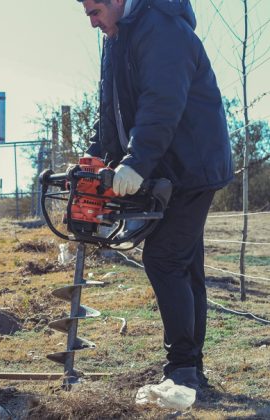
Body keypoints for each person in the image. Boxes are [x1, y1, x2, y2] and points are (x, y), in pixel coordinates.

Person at [76, 0, 233, 392]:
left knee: (164, 259)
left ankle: (181, 368)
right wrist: (97, 155)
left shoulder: (163, 28)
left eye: (95, 11)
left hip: (192, 166)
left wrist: (136, 162)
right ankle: (190, 368)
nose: (92, 22)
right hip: (166, 167)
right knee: (184, 263)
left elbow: (162, 103)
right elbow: (111, 106)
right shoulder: (117, 37)